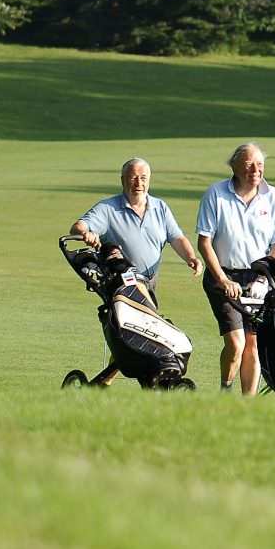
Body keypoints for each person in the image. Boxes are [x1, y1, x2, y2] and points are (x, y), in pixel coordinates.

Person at [70, 157, 202, 385]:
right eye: (133, 178)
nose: (138, 183)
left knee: (143, 334)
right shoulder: (109, 208)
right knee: (131, 335)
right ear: (123, 180)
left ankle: (114, 382)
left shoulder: (160, 208)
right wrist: (86, 234)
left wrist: (191, 257)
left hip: (149, 282)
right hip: (121, 283)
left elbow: (176, 237)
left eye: (143, 178)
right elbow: (80, 226)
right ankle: (136, 382)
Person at [195, 142, 275, 396]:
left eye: (259, 165)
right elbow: (204, 242)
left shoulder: (273, 196)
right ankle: (225, 391)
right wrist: (223, 279)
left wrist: (263, 277)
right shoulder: (215, 194)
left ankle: (246, 405)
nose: (255, 170)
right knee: (236, 343)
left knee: (253, 343)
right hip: (223, 275)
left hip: (259, 278)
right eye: (249, 165)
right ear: (235, 167)